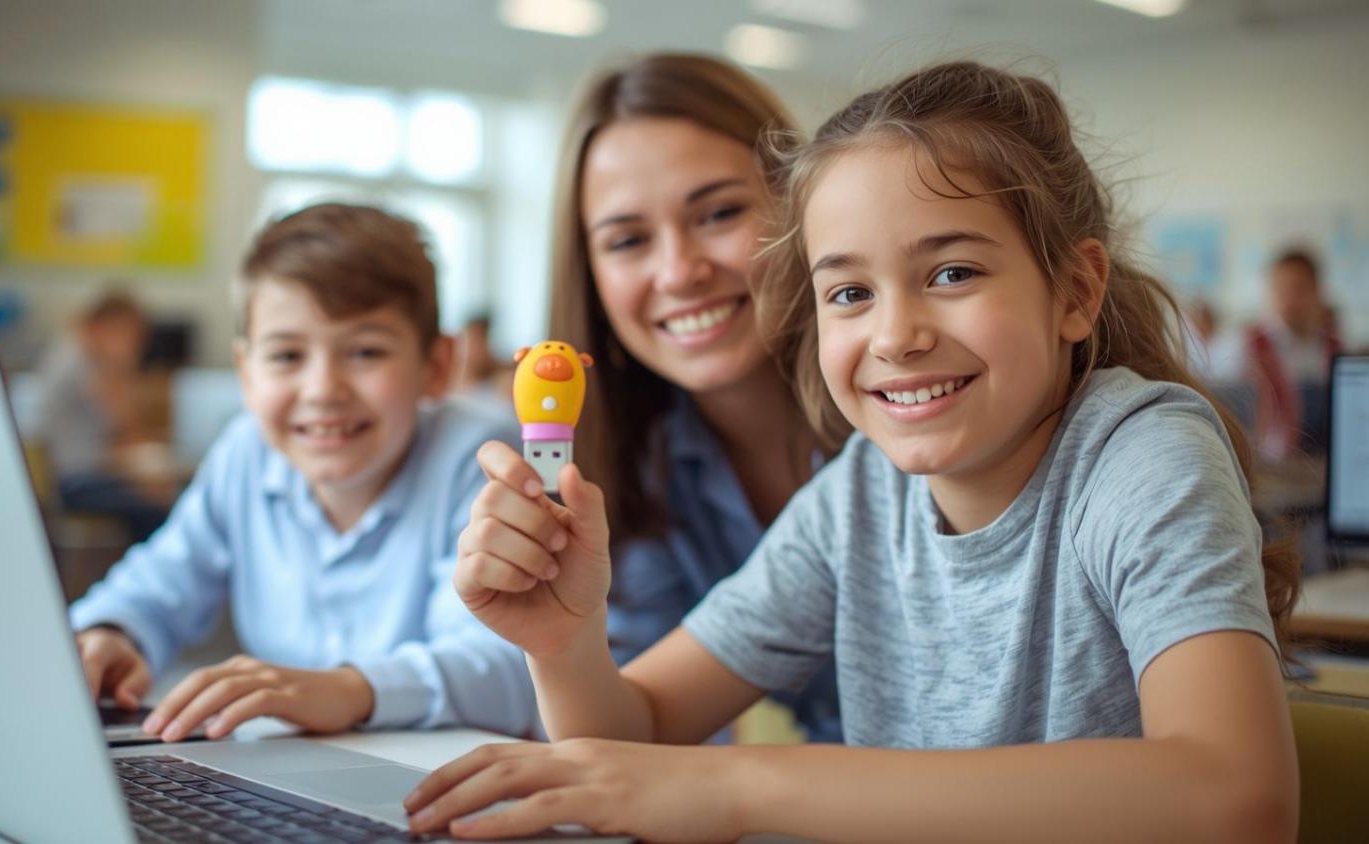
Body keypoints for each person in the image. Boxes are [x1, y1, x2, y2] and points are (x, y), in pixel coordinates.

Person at [409, 62, 1300, 841]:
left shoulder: (1139, 454)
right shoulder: (858, 495)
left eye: (951, 273)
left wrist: (742, 786)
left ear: (1075, 290)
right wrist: (565, 647)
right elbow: (632, 732)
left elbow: (1234, 800)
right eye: (848, 292)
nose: (896, 334)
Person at [70, 203, 536, 742]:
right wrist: (113, 632)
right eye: (288, 356)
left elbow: (506, 668)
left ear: (434, 367)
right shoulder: (247, 453)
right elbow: (159, 579)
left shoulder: (480, 460)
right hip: (285, 778)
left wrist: (350, 689)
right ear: (246, 372)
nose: (322, 390)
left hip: (442, 779)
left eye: (365, 351)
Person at [523, 52, 841, 740]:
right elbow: (638, 729)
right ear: (591, 275)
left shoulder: (913, 420)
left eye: (719, 213)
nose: (678, 271)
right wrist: (558, 642)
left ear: (801, 204)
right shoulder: (630, 465)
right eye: (628, 239)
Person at [35, 289, 170, 542]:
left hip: (83, 475)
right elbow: (126, 424)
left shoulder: (75, 353)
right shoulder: (79, 360)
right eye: (129, 333)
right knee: (153, 510)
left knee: (157, 498)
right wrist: (123, 366)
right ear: (105, 325)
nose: (136, 344)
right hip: (73, 482)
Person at [1244, 248, 1341, 459]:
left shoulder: (1333, 346)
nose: (1288, 300)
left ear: (1316, 290)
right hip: (1274, 463)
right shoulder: (1252, 346)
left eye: (1297, 289)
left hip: (1325, 458)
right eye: (1280, 289)